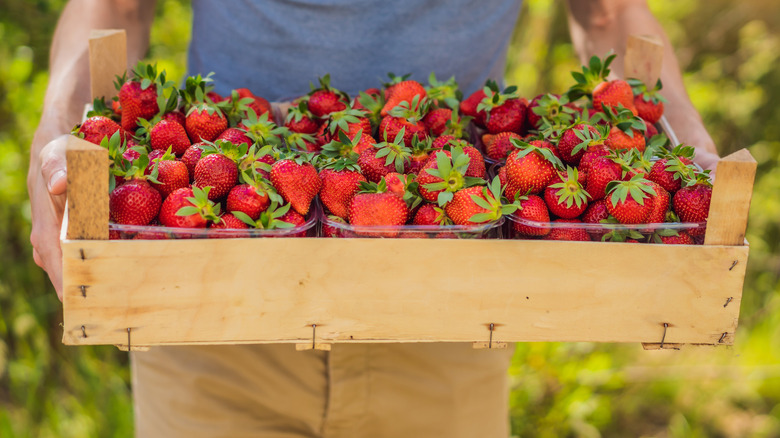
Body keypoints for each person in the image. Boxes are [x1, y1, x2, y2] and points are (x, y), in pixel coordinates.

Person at [28, 1, 720, 436]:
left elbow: (610, 12)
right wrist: (56, 136)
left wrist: (687, 149)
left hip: (451, 307)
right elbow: (112, 6)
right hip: (212, 295)